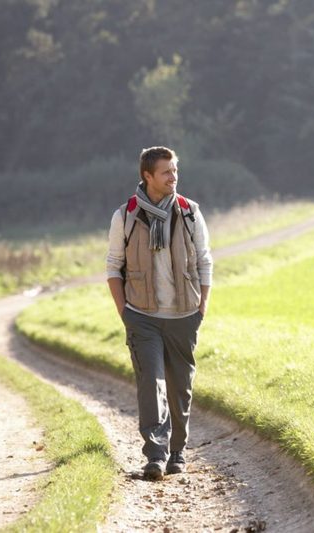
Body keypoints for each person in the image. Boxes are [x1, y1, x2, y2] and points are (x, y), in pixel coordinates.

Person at [106, 146, 212, 480]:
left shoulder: (190, 211)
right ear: (147, 176)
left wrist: (202, 304)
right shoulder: (125, 216)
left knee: (180, 388)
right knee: (151, 384)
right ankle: (155, 455)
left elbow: (205, 259)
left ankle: (177, 452)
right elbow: (113, 267)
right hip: (142, 316)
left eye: (175, 170)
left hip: (184, 315)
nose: (173, 177)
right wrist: (125, 312)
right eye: (166, 172)